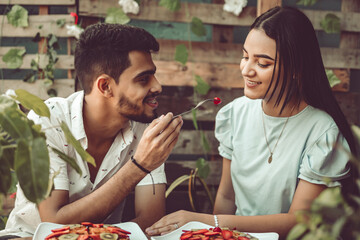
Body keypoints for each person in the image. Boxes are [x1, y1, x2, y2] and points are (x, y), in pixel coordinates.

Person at [145, 6, 358, 239]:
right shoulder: (235, 114)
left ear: (297, 69)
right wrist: (212, 233)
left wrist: (207, 221)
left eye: (263, 63)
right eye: (245, 56)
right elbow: (227, 197)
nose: (246, 70)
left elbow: (299, 220)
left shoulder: (322, 131)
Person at [0, 23, 183, 238]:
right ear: (105, 86)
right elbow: (55, 224)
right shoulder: (48, 120)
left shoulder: (144, 127)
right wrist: (139, 166)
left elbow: (150, 220)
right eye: (143, 79)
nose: (158, 86)